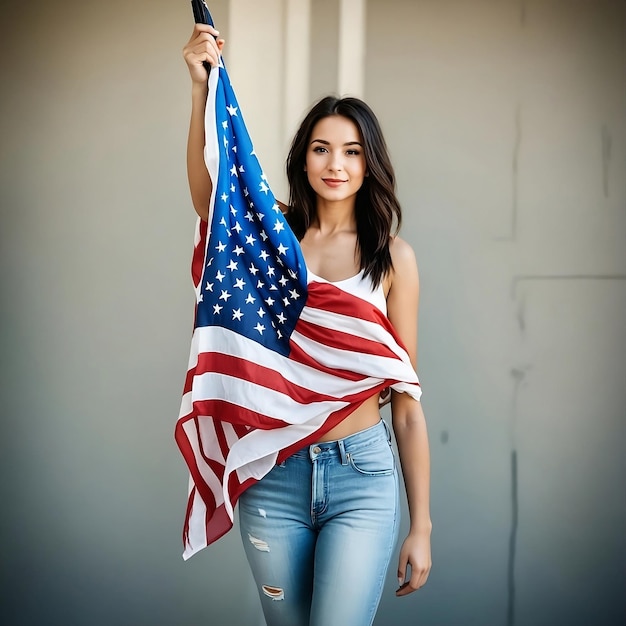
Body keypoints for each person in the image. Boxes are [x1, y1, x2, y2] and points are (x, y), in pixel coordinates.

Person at [183, 23, 432, 626]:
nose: (336, 164)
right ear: (303, 157)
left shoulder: (393, 257)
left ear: (370, 164)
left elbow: (405, 400)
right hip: (275, 470)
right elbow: (209, 200)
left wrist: (421, 524)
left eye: (351, 151)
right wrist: (200, 89)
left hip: (363, 474)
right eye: (322, 148)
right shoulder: (276, 240)